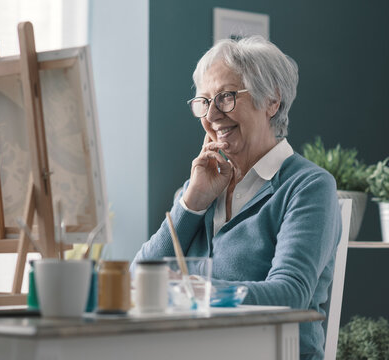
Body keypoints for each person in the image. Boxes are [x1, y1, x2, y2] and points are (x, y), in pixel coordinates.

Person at [132, 36, 341, 360]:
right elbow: (139, 281)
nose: (212, 114)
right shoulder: (199, 188)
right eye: (204, 101)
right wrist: (192, 203)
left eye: (226, 97)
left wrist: (199, 292)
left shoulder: (308, 186)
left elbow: (290, 294)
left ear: (272, 100)